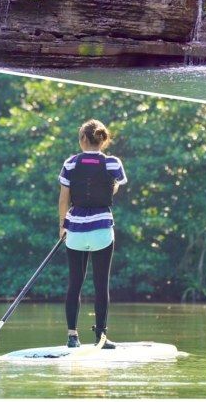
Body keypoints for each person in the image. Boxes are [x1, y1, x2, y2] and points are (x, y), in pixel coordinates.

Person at [58, 119, 127, 349]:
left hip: (75, 230)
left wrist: (62, 225)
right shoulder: (112, 163)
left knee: (74, 283)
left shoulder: (70, 163)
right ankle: (101, 337)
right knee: (101, 284)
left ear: (84, 140)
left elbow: (64, 197)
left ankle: (72, 336)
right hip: (101, 230)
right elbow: (114, 187)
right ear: (102, 140)